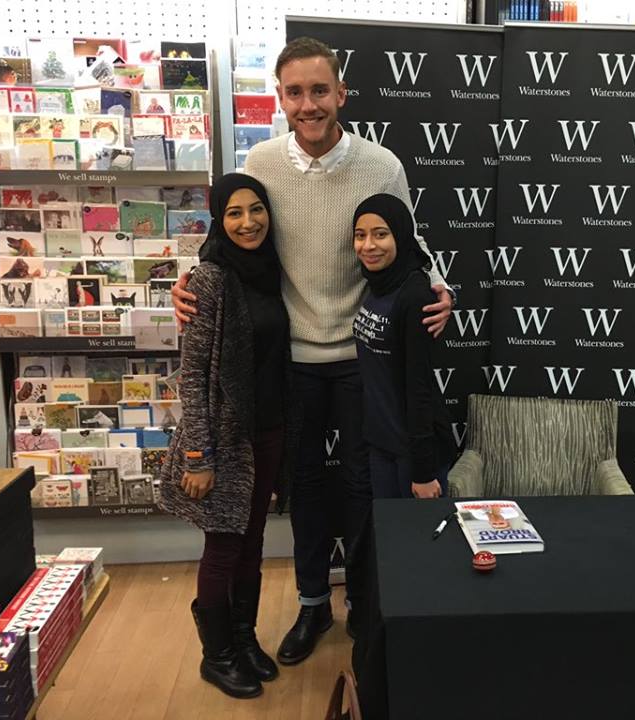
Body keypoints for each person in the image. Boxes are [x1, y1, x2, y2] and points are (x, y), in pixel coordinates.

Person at [172, 37, 452, 665]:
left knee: (358, 485)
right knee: (300, 489)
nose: (308, 104)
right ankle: (310, 606)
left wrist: (442, 287)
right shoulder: (263, 161)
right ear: (280, 98)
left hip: (361, 358)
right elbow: (231, 237)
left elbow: (409, 243)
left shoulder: (383, 166)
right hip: (289, 363)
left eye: (319, 90)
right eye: (295, 92)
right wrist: (187, 278)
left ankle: (356, 599)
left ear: (341, 94)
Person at [159, 174, 288, 698]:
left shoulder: (274, 271)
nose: (248, 222)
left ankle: (243, 638)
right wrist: (197, 454)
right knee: (223, 548)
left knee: (252, 544)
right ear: (218, 218)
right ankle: (217, 656)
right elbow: (191, 376)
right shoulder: (210, 279)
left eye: (256, 210)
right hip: (224, 440)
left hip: (270, 429)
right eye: (234, 213)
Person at [352, 194, 456, 499]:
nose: (368, 245)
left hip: (414, 452)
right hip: (382, 444)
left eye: (381, 234)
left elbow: (419, 386)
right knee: (387, 542)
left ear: (400, 234)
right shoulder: (378, 283)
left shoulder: (414, 295)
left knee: (416, 545)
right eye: (360, 235)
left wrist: (423, 470)